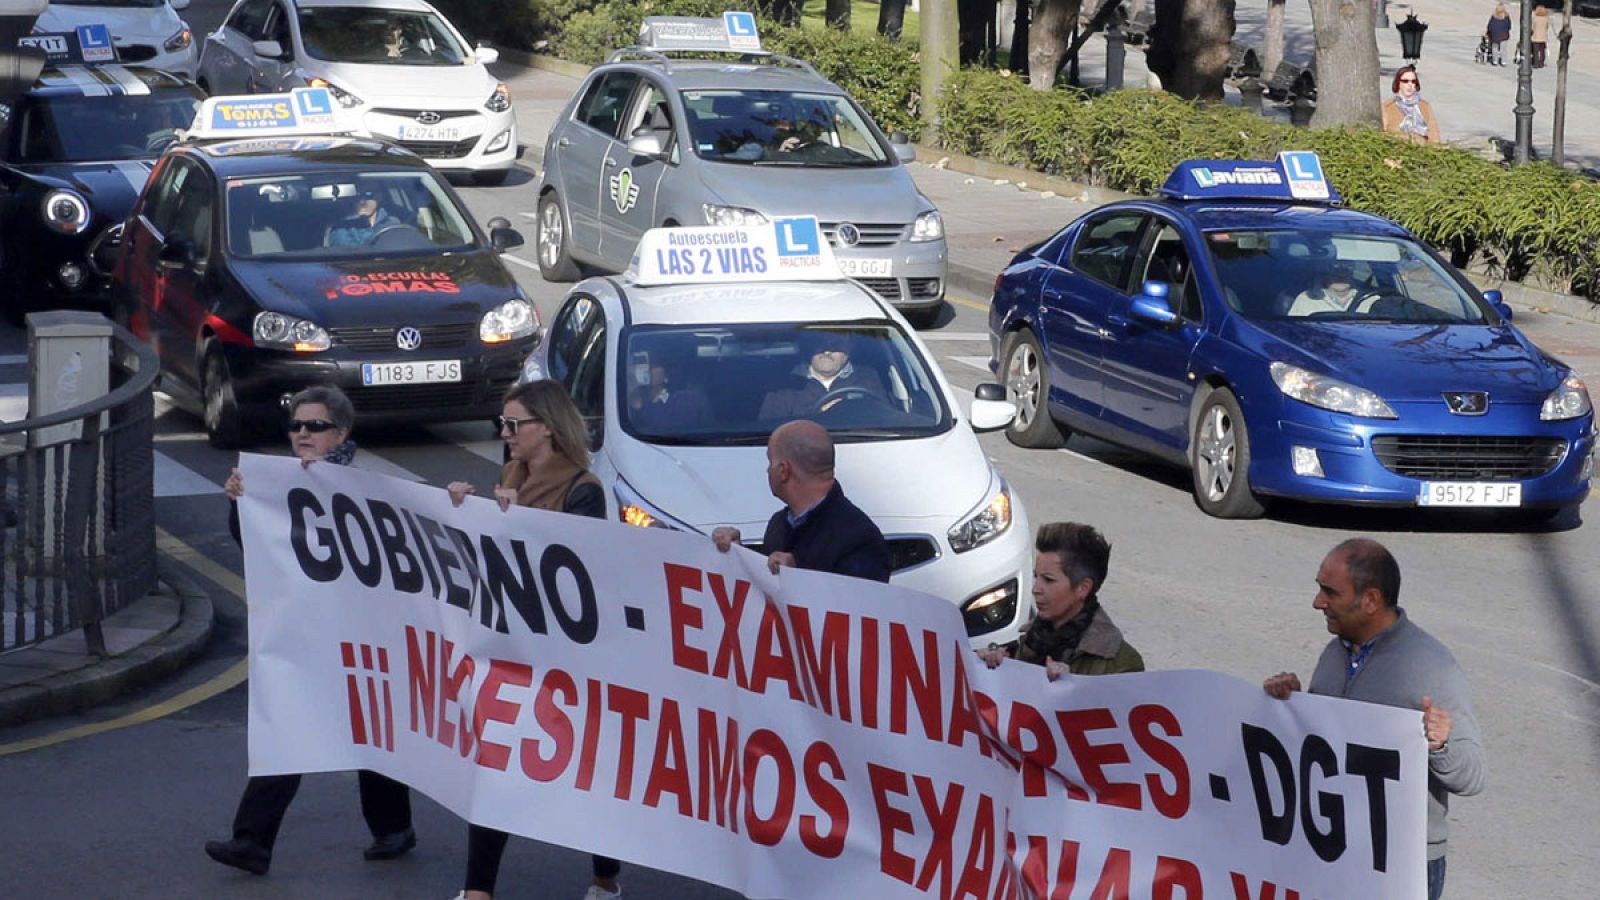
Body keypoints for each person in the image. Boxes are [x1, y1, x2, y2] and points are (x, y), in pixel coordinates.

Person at [205, 385, 416, 876]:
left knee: (369, 733)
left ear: (341, 433)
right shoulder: (278, 483)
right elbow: (255, 544)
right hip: (306, 631)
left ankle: (394, 826)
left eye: (315, 427)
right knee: (288, 726)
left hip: (361, 634)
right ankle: (252, 841)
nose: (302, 434)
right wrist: (242, 500)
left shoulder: (365, 488)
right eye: (296, 426)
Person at [445, 379, 618, 900]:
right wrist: (462, 511)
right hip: (511, 649)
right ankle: (479, 890)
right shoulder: (511, 474)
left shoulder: (583, 488)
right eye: (504, 423)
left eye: (514, 424)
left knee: (586, 773)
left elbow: (580, 573)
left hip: (566, 658)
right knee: (495, 762)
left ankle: (606, 879)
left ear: (547, 427)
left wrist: (513, 520)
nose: (505, 432)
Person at [1263, 539, 1485, 900]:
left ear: (1370, 601)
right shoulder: (1334, 654)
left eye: (1329, 592)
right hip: (1335, 849)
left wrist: (1440, 745)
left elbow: (1473, 775)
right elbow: (1323, 745)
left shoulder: (1431, 666)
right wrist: (1292, 704)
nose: (1318, 602)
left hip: (1400, 864)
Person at [712, 419, 891, 582]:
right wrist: (737, 555)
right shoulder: (779, 525)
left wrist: (799, 578)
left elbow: (860, 607)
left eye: (770, 462)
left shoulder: (859, 539)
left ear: (783, 471)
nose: (768, 471)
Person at [976, 522, 1144, 679]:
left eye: (1048, 580)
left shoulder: (1122, 665)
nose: (1036, 589)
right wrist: (990, 669)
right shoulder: (1027, 642)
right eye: (1037, 577)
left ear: (1083, 588)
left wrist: (1075, 691)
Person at [758, 331, 887, 421]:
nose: (827, 350)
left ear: (850, 348)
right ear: (809, 347)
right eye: (821, 343)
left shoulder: (868, 377)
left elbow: (884, 417)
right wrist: (817, 417)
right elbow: (771, 429)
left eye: (836, 344)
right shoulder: (784, 384)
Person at [627, 348, 712, 432]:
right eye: (641, 364)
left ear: (666, 372)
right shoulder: (623, 401)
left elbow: (670, 430)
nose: (648, 368)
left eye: (654, 364)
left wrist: (637, 403)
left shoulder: (685, 399)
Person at [1381, 65, 1441, 146]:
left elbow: (1434, 136)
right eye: (1405, 81)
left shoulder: (1425, 106)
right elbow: (1383, 134)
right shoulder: (1387, 107)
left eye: (1413, 81)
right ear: (1398, 83)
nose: (1410, 84)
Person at [1286, 263, 1362, 317]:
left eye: (1345, 271)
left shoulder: (1370, 299)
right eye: (1335, 273)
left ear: (1352, 275)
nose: (1340, 276)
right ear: (1325, 276)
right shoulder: (1307, 298)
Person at [327, 193, 401, 247]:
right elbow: (344, 255)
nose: (362, 202)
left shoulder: (393, 223)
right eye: (357, 197)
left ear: (378, 198)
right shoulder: (341, 227)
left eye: (367, 196)